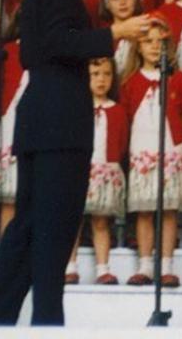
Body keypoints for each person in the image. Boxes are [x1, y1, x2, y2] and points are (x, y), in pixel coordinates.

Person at [0, 0, 151, 326]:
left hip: (46, 118)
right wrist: (115, 33)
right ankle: (43, 325)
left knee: (32, 229)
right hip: (58, 121)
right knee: (51, 233)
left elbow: (41, 46)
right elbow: (52, 44)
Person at [122, 21, 182, 287]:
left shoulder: (178, 79)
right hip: (142, 149)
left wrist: (176, 141)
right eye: (148, 41)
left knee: (167, 210)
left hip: (171, 149)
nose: (155, 46)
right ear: (138, 47)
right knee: (144, 210)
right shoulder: (131, 81)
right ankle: (145, 264)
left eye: (160, 42)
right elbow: (126, 117)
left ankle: (166, 265)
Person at [65, 57, 128, 285]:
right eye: (95, 74)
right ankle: (69, 266)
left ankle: (103, 268)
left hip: (105, 171)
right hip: (80, 169)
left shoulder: (118, 111)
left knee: (101, 222)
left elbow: (121, 143)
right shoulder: (75, 107)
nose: (101, 80)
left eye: (106, 74)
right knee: (73, 220)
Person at [0, 31, 27, 232]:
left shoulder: (53, 49)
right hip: (11, 122)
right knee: (9, 197)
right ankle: (6, 251)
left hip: (42, 124)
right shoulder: (10, 51)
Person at [98, 0, 144, 79]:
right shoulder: (101, 37)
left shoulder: (145, 34)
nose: (122, 2)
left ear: (136, 0)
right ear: (107, 4)